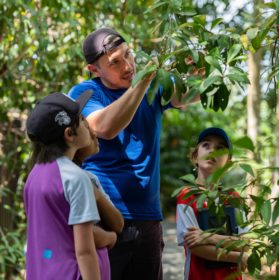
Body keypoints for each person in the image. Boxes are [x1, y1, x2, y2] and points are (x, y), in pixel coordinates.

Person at [68, 27, 197, 280]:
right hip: (102, 215)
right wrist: (143, 83)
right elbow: (105, 128)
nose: (128, 66)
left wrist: (198, 72)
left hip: (147, 216)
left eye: (128, 55)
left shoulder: (153, 85)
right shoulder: (85, 93)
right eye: (115, 63)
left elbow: (189, 95)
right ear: (94, 70)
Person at [24, 91, 104, 280]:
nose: (87, 125)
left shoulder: (34, 176)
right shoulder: (76, 178)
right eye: (82, 122)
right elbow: (84, 252)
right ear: (69, 134)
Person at [176, 127, 248, 280]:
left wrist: (208, 237)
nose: (212, 151)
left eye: (220, 148)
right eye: (206, 145)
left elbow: (245, 244)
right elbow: (195, 246)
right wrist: (238, 257)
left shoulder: (234, 199)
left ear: (228, 162)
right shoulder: (187, 196)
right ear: (195, 156)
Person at [73, 126, 125, 277]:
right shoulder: (68, 179)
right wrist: (109, 237)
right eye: (86, 127)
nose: (94, 134)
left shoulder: (90, 179)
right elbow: (77, 233)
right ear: (69, 135)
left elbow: (118, 224)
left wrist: (95, 195)